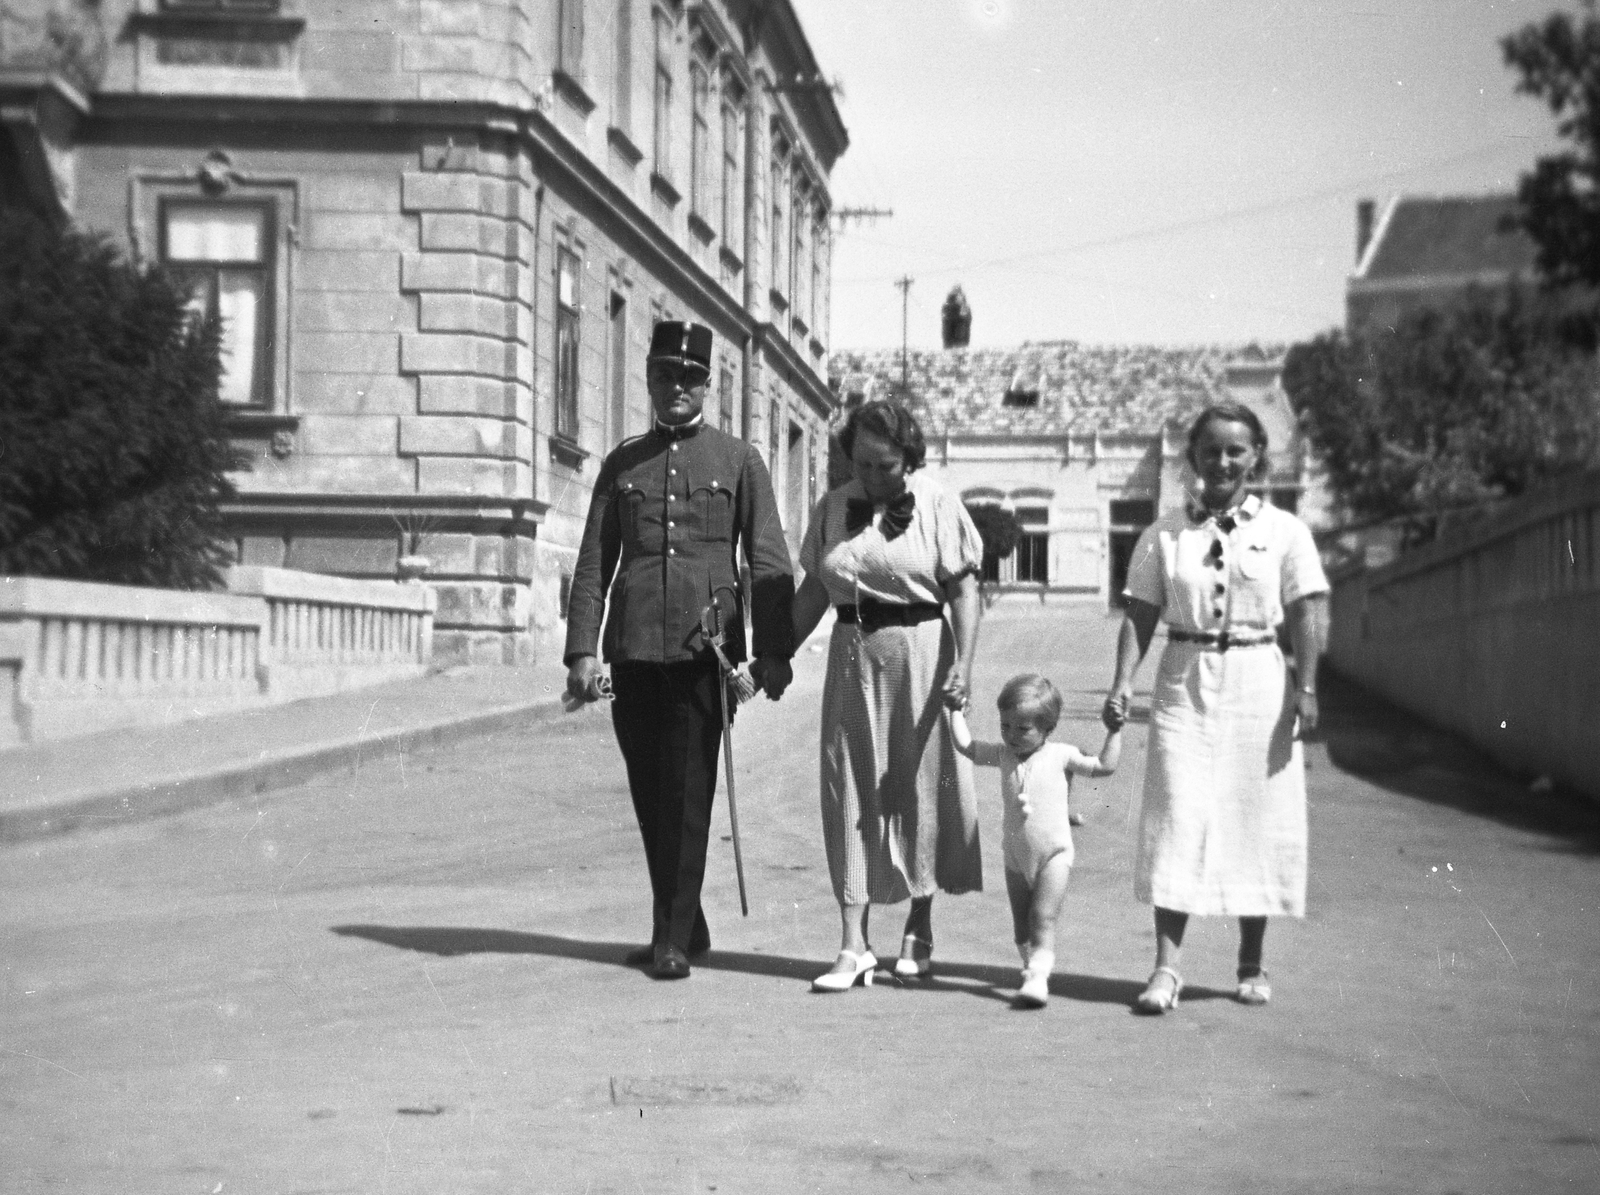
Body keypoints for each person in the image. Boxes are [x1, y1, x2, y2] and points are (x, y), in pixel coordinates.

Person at [564, 320, 795, 981]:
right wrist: (584, 649)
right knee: (649, 791)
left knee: (688, 792)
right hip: (633, 648)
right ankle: (686, 921)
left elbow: (770, 556)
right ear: (649, 379)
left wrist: (773, 652)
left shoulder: (738, 460)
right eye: (665, 375)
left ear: (709, 383)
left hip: (706, 650)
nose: (677, 388)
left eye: (690, 377)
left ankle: (669, 934)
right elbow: (593, 563)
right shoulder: (622, 463)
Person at [1103, 402, 1329, 1013]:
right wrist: (1123, 682)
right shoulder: (1165, 535)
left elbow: (1309, 611)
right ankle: (1165, 970)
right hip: (1184, 680)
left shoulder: (1287, 532)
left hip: (1260, 680)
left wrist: (1307, 687)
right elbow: (1141, 613)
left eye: (1236, 450)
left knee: (1255, 814)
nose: (1223, 461)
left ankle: (1251, 961)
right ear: (1193, 458)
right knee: (1176, 812)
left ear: (1257, 455)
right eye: (1211, 450)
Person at [789, 399, 986, 992]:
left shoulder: (938, 502)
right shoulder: (832, 507)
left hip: (923, 653)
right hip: (853, 654)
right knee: (848, 784)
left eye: (886, 466)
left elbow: (965, 592)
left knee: (920, 783)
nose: (873, 478)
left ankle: (918, 928)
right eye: (862, 464)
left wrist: (967, 667)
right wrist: (773, 658)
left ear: (910, 459)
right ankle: (853, 944)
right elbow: (814, 592)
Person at [946, 674, 1121, 1008]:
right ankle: (1032, 966)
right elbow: (966, 747)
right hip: (1015, 857)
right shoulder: (1002, 755)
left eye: (1022, 729)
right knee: (1021, 926)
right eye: (1005, 726)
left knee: (1042, 917)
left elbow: (1103, 766)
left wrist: (1114, 731)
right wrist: (955, 711)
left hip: (1054, 854)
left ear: (1047, 727)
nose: (1011, 735)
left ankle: (1038, 978)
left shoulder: (1062, 755)